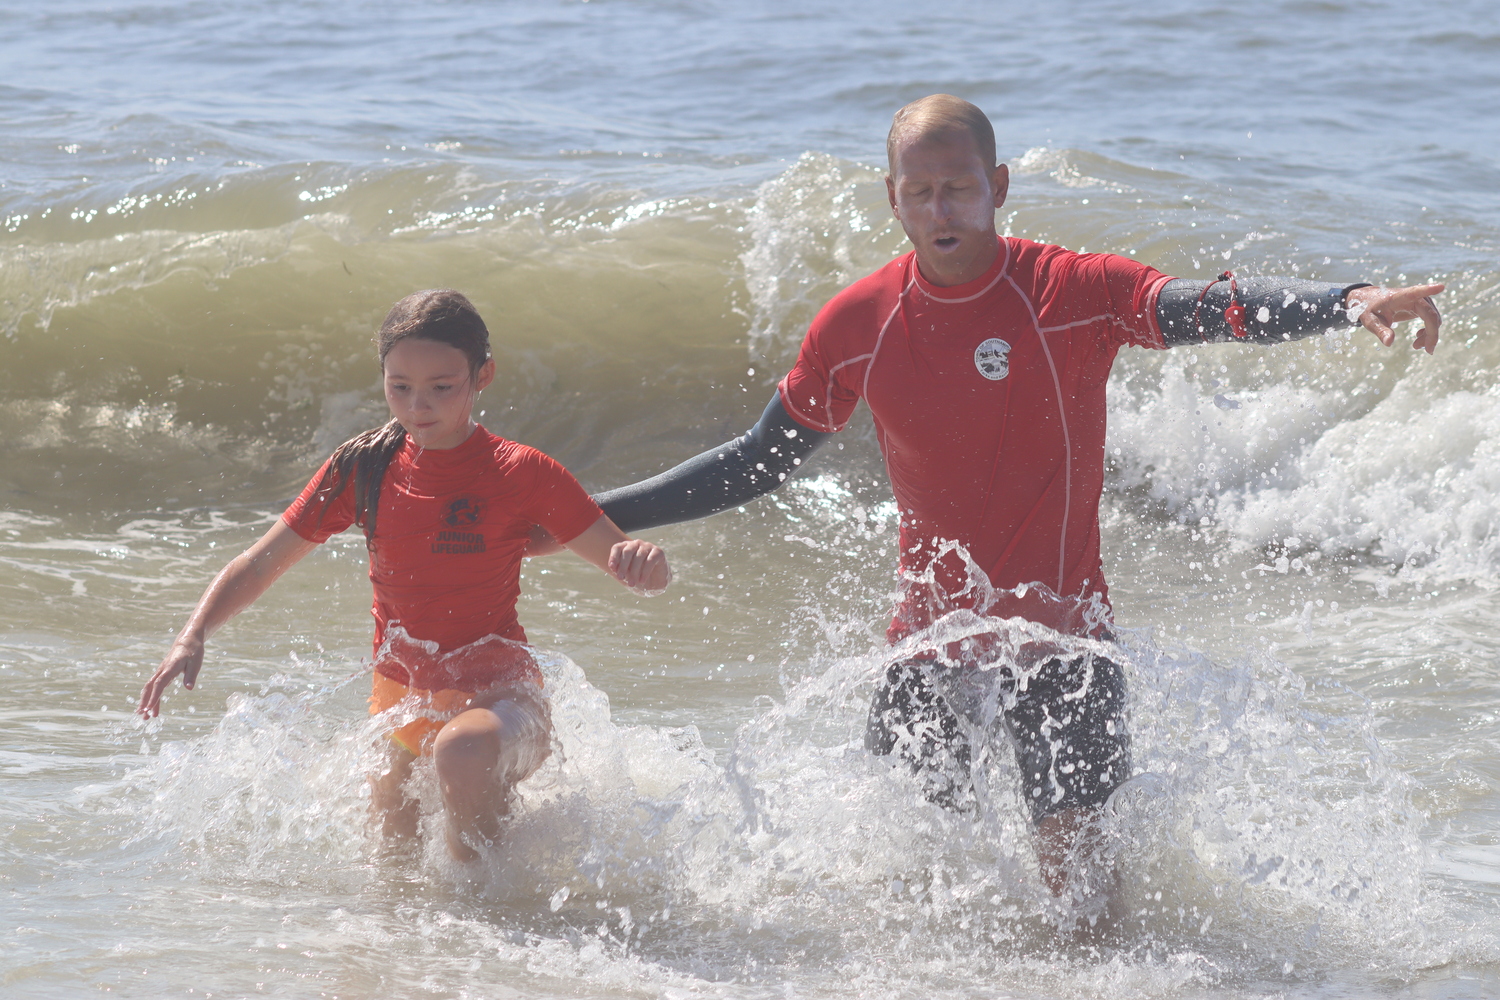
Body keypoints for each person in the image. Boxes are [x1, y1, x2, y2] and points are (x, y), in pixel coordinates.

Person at [533, 95, 1444, 913]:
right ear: (890, 197)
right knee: (915, 896)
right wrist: (586, 516)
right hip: (930, 642)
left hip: (1067, 642)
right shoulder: (858, 324)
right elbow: (756, 461)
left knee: (1084, 901)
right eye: (920, 191)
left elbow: (1206, 307)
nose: (941, 210)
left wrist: (1347, 299)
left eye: (960, 188)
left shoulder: (1069, 293)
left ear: (998, 186)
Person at [138, 289, 672, 862]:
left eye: (441, 387)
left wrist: (647, 566)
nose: (419, 405)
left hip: (504, 703)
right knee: (392, 874)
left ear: (481, 375)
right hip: (401, 705)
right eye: (400, 387)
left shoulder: (521, 472)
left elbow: (625, 560)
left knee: (461, 760)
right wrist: (190, 634)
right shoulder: (364, 467)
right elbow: (261, 561)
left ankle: (502, 930)